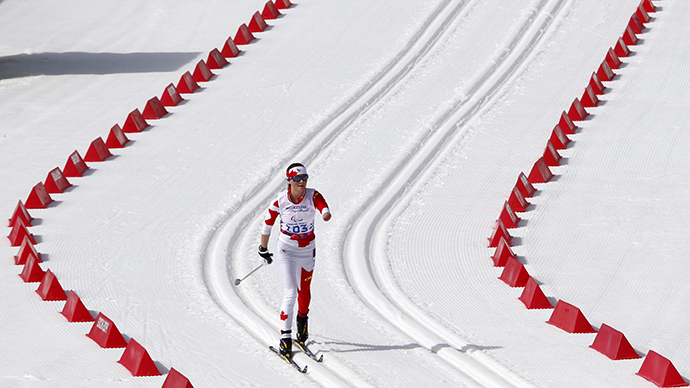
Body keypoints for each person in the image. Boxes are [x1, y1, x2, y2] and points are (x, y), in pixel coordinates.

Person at [258, 163, 331, 359]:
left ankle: (302, 328)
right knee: (290, 292)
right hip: (286, 249)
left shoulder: (313, 195)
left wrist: (325, 213)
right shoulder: (279, 201)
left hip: (307, 250)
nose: (302, 182)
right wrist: (263, 249)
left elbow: (323, 205)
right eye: (298, 178)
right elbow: (267, 225)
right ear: (289, 180)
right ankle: (285, 337)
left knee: (304, 292)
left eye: (305, 177)